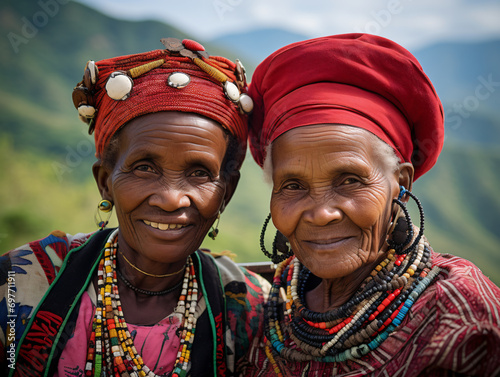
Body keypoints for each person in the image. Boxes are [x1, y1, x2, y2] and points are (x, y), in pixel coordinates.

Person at [0, 37, 269, 377]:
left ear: (225, 193)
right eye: (144, 167)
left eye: (199, 173)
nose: (172, 198)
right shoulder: (21, 282)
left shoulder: (250, 307)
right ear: (105, 182)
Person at [239, 34, 500, 376]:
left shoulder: (462, 316)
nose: (321, 212)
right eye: (293, 185)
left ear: (401, 184)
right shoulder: (267, 302)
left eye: (350, 180)